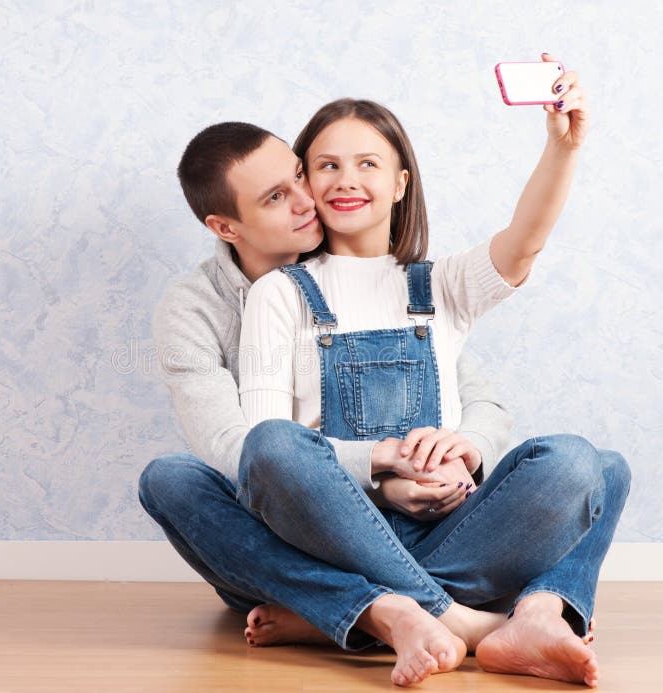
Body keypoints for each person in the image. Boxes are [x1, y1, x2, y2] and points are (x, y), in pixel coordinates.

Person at [236, 54, 629, 688]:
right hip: (334, 529)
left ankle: (356, 611)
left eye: (368, 163)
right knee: (268, 447)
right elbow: (263, 450)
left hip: (455, 528)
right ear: (306, 182)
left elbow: (523, 242)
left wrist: (563, 148)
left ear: (399, 183)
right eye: (327, 165)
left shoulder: (442, 284)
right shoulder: (281, 293)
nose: (346, 178)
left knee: (595, 465)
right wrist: (383, 473)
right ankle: (495, 617)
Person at [138, 114, 515, 677]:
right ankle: (433, 613)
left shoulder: (378, 274)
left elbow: (475, 393)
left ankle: (338, 613)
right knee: (169, 479)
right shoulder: (194, 310)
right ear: (226, 227)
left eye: (298, 175)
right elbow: (239, 451)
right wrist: (381, 467)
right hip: (287, 533)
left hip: (413, 523)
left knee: (586, 469)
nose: (306, 200)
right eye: (274, 198)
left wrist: (460, 450)